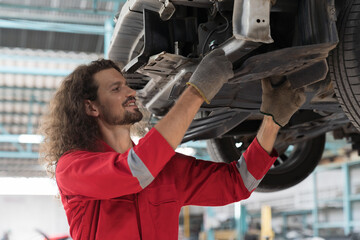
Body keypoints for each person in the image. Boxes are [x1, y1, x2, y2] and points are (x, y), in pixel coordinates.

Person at [39, 49, 305, 240]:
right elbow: (136, 171)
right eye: (116, 88)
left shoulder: (165, 167)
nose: (131, 92)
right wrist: (196, 91)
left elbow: (239, 183)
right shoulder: (72, 168)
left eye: (127, 86)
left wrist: (272, 121)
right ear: (91, 107)